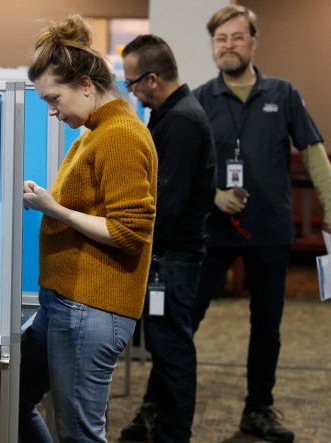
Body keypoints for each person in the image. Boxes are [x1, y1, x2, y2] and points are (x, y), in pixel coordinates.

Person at [191, 5, 331, 443]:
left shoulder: (283, 93)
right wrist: (213, 194)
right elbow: (185, 164)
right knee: (185, 319)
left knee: (267, 325)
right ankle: (159, 404)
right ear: (213, 46)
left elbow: (313, 153)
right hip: (213, 229)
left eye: (236, 37)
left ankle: (259, 409)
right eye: (220, 39)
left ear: (253, 40)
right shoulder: (200, 98)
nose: (228, 45)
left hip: (269, 229)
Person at [18, 14, 158, 443]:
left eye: (54, 98)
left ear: (84, 84)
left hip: (90, 308)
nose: (52, 110)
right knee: (14, 401)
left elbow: (129, 233)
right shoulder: (95, 133)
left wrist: (53, 209)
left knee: (80, 433)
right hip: (65, 303)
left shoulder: (118, 136)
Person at [116, 35, 217, 443]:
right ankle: (158, 424)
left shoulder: (182, 121)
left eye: (132, 82)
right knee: (167, 348)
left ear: (153, 79)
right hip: (171, 258)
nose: (131, 91)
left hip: (172, 261)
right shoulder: (175, 114)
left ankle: (174, 435)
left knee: (173, 352)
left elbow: (167, 204)